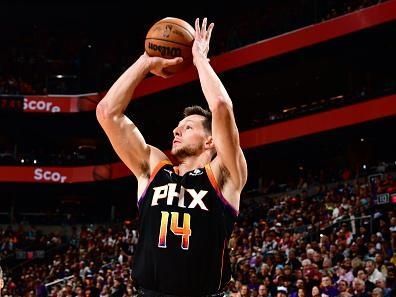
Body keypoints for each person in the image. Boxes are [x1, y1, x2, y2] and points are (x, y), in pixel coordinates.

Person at [96, 17, 248, 297]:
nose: (176, 132)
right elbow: (108, 113)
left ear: (210, 139)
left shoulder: (224, 175)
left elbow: (222, 107)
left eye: (187, 127)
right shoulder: (153, 168)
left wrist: (200, 58)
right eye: (177, 128)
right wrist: (145, 61)